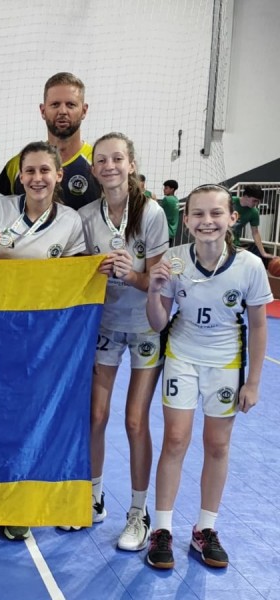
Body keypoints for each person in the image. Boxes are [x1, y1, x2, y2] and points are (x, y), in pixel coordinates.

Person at [145, 184, 271, 570]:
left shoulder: (249, 266)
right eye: (198, 214)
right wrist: (153, 290)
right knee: (176, 439)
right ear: (186, 220)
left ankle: (205, 529)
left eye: (216, 213)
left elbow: (259, 327)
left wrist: (253, 382)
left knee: (217, 445)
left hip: (226, 365)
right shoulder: (176, 260)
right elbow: (158, 322)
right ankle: (162, 529)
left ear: (233, 218)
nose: (207, 221)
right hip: (182, 357)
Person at [0, 141, 85, 541]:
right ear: (20, 176)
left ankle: (19, 502)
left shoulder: (71, 221)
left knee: (28, 416)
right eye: (30, 171)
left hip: (42, 338)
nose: (37, 178)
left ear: (58, 176)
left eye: (44, 171)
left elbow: (75, 282)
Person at [74, 132, 168, 551]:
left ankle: (138, 512)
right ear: (93, 169)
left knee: (134, 420)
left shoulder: (151, 213)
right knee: (95, 415)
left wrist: (132, 275)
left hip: (146, 326)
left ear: (131, 164)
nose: (109, 166)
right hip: (105, 324)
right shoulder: (85, 216)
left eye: (118, 159)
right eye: (102, 160)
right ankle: (93, 498)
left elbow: (160, 281)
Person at [0, 72, 100, 210]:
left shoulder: (99, 163)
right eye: (55, 104)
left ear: (84, 111)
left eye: (71, 104)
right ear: (43, 111)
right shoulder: (18, 165)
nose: (62, 111)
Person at [233, 184, 271, 266]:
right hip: (217, 241)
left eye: (258, 201)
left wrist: (263, 253)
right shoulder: (230, 202)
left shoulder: (254, 212)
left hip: (233, 244)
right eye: (254, 200)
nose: (256, 203)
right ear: (246, 196)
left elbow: (255, 233)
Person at [159, 180, 180, 244]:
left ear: (172, 189)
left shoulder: (167, 199)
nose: (164, 190)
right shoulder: (176, 200)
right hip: (172, 231)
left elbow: (159, 212)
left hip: (165, 231)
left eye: (166, 188)